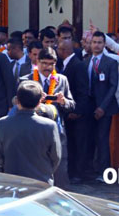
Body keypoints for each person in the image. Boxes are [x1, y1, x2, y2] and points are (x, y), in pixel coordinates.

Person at [21, 47, 74, 187]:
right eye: (44, 63)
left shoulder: (62, 80)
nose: (47, 67)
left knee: (60, 167)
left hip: (56, 130)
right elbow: (16, 102)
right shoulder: (26, 80)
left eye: (51, 64)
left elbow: (72, 105)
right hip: (32, 130)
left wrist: (63, 102)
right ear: (37, 62)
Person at [0, 81, 61, 184]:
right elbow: (56, 157)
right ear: (39, 102)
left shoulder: (2, 123)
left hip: (12, 180)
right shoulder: (49, 126)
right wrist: (45, 172)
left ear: (17, 101)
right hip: (41, 181)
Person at [56, 38, 90, 182]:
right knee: (71, 143)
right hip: (68, 112)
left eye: (59, 49)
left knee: (78, 144)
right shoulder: (64, 64)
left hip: (77, 113)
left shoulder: (78, 65)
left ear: (64, 50)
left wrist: (78, 111)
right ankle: (71, 171)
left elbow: (83, 90)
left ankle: (78, 173)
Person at [86, 31, 118, 178]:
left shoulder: (110, 62)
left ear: (104, 44)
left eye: (99, 42)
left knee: (102, 139)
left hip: (104, 107)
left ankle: (104, 172)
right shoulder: (85, 61)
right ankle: (90, 169)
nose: (96, 45)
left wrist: (102, 107)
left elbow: (113, 86)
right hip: (88, 106)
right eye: (94, 42)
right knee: (89, 138)